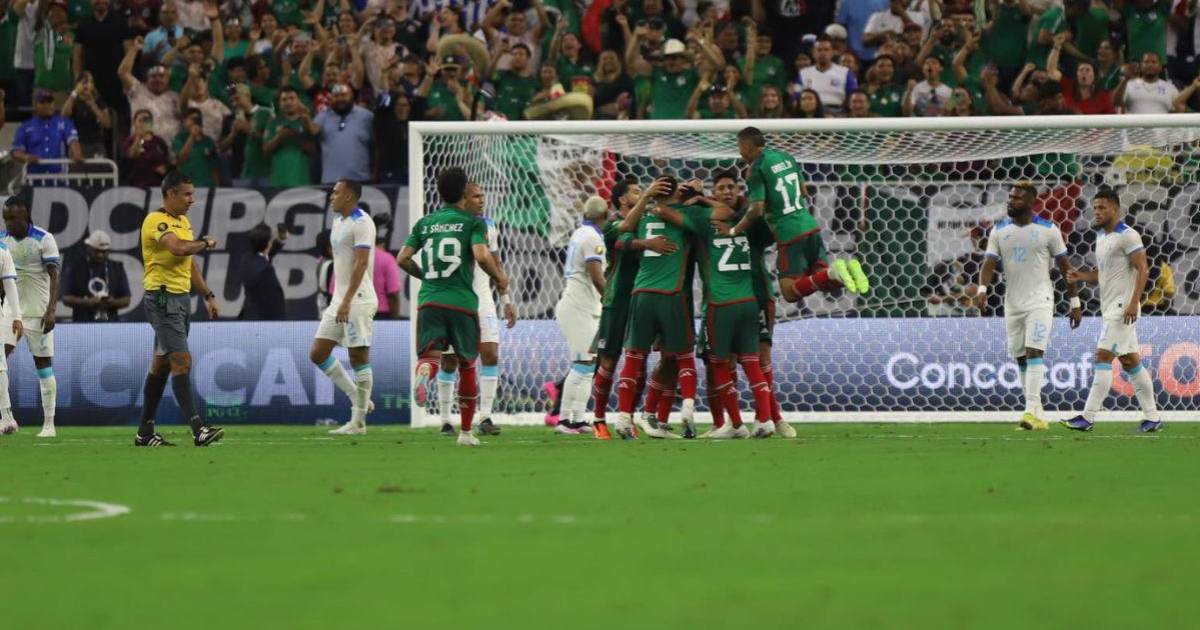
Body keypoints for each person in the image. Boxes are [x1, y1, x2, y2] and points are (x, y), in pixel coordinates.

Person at [650, 180, 776, 439]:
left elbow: (663, 211)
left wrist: (677, 201)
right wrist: (702, 198)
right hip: (748, 302)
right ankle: (765, 420)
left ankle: (736, 424)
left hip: (721, 304)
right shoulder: (740, 222)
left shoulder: (701, 221)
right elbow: (731, 211)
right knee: (752, 363)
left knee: (718, 364)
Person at [397, 168, 509, 447]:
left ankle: (425, 372)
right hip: (461, 302)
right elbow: (481, 256)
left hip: (429, 301)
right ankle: (466, 433)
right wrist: (498, 277)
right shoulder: (473, 223)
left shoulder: (424, 223)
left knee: (432, 358)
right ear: (463, 194)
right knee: (467, 365)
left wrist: (426, 276)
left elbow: (402, 259)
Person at [974, 183, 1082, 431]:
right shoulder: (999, 230)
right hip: (1013, 303)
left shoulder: (1048, 230)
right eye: (1010, 197)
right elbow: (989, 263)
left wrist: (1075, 302)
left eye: (1017, 198)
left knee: (1035, 352)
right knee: (1021, 357)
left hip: (1040, 301)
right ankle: (1037, 414)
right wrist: (982, 289)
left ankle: (1030, 411)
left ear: (1031, 202)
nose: (1010, 201)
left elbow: (1066, 268)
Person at [722, 127, 868, 306]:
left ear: (746, 146)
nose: (740, 153)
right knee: (822, 279)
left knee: (789, 292)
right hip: (810, 225)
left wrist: (734, 230)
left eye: (740, 147)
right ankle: (849, 270)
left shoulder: (756, 168)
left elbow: (756, 210)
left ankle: (835, 272)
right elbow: (804, 192)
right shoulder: (786, 157)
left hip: (789, 233)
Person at [585, 177, 678, 440]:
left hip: (645, 299)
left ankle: (629, 417)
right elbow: (622, 236)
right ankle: (599, 419)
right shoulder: (614, 223)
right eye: (637, 191)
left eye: (642, 191)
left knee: (640, 362)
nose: (642, 194)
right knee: (609, 360)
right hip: (618, 300)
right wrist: (648, 243)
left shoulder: (649, 221)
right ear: (623, 199)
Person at [135, 170, 224, 447]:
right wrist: (205, 243)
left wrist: (208, 295)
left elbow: (189, 262)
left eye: (192, 194)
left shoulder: (183, 222)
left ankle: (144, 433)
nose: (191, 200)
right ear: (170, 194)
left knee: (161, 364)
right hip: (162, 300)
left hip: (181, 300)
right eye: (186, 194)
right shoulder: (156, 220)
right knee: (181, 361)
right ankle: (198, 429)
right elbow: (177, 249)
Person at [1062, 190, 1161, 433]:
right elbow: (1102, 274)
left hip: (1123, 308)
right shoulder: (1101, 237)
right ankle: (1152, 418)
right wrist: (1081, 276)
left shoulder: (1128, 235)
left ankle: (1087, 417)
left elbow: (1143, 269)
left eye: (1102, 208)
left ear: (1115, 209)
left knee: (1102, 356)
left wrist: (1133, 302)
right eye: (1095, 207)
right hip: (1110, 307)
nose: (1097, 212)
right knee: (1130, 361)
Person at [611, 176, 697, 440]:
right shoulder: (685, 215)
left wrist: (648, 200)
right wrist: (695, 196)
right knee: (684, 356)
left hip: (641, 294)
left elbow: (622, 237)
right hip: (671, 294)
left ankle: (623, 417)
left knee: (634, 357)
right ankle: (688, 410)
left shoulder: (642, 217)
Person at [429, 186, 516, 438]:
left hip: (483, 298)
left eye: (482, 196)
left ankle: (485, 417)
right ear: (463, 198)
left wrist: (506, 300)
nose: (481, 200)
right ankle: (445, 419)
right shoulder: (447, 225)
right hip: (456, 297)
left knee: (490, 353)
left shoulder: (488, 225)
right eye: (476, 196)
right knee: (450, 360)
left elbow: (496, 263)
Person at [309, 180, 377, 436]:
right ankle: (358, 399)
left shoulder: (362, 222)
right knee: (318, 353)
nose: (331, 197)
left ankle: (358, 422)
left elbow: (361, 264)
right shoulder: (338, 221)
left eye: (336, 193)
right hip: (339, 299)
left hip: (357, 299)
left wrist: (347, 300)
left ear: (349, 196)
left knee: (358, 358)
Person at [0, 191, 59, 437]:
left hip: (38, 312)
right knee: (0, 360)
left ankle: (49, 424)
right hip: (10, 312)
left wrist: (51, 309)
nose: (9, 224)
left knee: (43, 365)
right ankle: (6, 417)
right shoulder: (2, 241)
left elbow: (54, 274)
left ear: (26, 215)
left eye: (13, 219)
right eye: (5, 219)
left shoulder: (44, 239)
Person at [553, 197, 608, 435]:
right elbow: (596, 277)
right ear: (604, 216)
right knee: (583, 363)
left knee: (587, 363)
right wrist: (611, 300)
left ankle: (577, 419)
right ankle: (565, 420)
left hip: (580, 305)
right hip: (578, 307)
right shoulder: (592, 238)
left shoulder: (579, 233)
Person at [61, 230, 131, 322]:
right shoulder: (76, 267)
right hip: (82, 323)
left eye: (104, 252)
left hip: (111, 324)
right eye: (97, 251)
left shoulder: (117, 268)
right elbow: (66, 298)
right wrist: (87, 302)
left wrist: (112, 302)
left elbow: (126, 299)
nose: (100, 255)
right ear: (88, 248)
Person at [10, 89, 82, 175]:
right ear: (35, 105)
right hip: (34, 178)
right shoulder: (25, 126)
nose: (47, 106)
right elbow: (15, 151)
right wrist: (26, 157)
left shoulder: (64, 122)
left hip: (60, 178)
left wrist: (76, 152)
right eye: (42, 103)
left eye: (50, 102)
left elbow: (73, 141)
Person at [314, 83, 373, 184]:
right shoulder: (322, 117)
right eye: (336, 96)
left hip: (360, 179)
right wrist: (305, 117)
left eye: (344, 95)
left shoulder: (367, 116)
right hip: (331, 181)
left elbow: (376, 146)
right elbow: (312, 133)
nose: (340, 99)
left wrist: (375, 172)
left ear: (352, 96)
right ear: (331, 98)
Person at [264, 87, 318, 187]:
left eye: (292, 98)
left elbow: (313, 150)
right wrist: (279, 137)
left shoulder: (306, 122)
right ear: (279, 103)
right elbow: (266, 150)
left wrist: (295, 136)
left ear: (298, 101)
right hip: (278, 180)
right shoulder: (273, 122)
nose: (288, 102)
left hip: (301, 179)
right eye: (284, 99)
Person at [0, 229, 23, 437]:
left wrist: (17, 316)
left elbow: (9, 284)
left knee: (0, 367)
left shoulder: (2, 250)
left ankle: (7, 417)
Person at [797, 35, 856, 115]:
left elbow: (852, 96)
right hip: (811, 113)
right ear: (813, 52)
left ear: (832, 52)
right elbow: (796, 97)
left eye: (826, 50)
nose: (823, 53)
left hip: (837, 112)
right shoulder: (803, 73)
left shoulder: (845, 73)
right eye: (819, 50)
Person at [240, 223, 286, 321]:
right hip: (263, 319)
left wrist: (280, 239)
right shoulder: (265, 269)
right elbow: (274, 299)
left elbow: (266, 254)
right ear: (268, 244)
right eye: (271, 239)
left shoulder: (247, 259)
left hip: (249, 315)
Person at [1113, 52, 1185, 114]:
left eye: (1153, 62)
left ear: (1160, 67)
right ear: (1141, 66)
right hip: (1134, 126)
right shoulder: (1129, 85)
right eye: (1146, 62)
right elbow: (1115, 102)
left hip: (1160, 126)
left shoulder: (1170, 88)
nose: (1150, 65)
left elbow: (1180, 110)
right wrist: (1125, 80)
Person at [123, 109, 171, 187]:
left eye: (146, 120)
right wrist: (138, 137)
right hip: (136, 185)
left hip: (157, 185)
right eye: (140, 120)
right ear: (134, 123)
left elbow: (166, 161)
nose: (143, 123)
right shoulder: (129, 141)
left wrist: (164, 168)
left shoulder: (159, 141)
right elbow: (131, 156)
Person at [370, 215, 401, 319]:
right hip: (381, 315)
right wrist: (395, 321)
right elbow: (393, 295)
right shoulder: (387, 259)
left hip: (355, 314)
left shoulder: (353, 256)